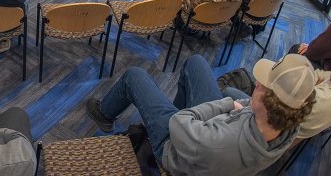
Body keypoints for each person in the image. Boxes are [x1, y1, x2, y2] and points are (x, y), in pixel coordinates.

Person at [86, 54, 316, 176]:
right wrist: (239, 104)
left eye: (260, 85)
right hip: (210, 131)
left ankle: (104, 115)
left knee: (134, 76)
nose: (256, 82)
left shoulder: (221, 144)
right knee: (195, 63)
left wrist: (226, 103)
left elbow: (180, 122)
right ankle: (157, 124)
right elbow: (248, 103)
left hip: (177, 149)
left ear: (267, 101)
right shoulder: (288, 124)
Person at [223, 32, 331, 140]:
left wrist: (279, 80)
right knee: (240, 77)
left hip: (271, 122)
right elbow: (318, 74)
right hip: (284, 108)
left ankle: (216, 123)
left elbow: (278, 110)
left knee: (230, 84)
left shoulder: (326, 100)